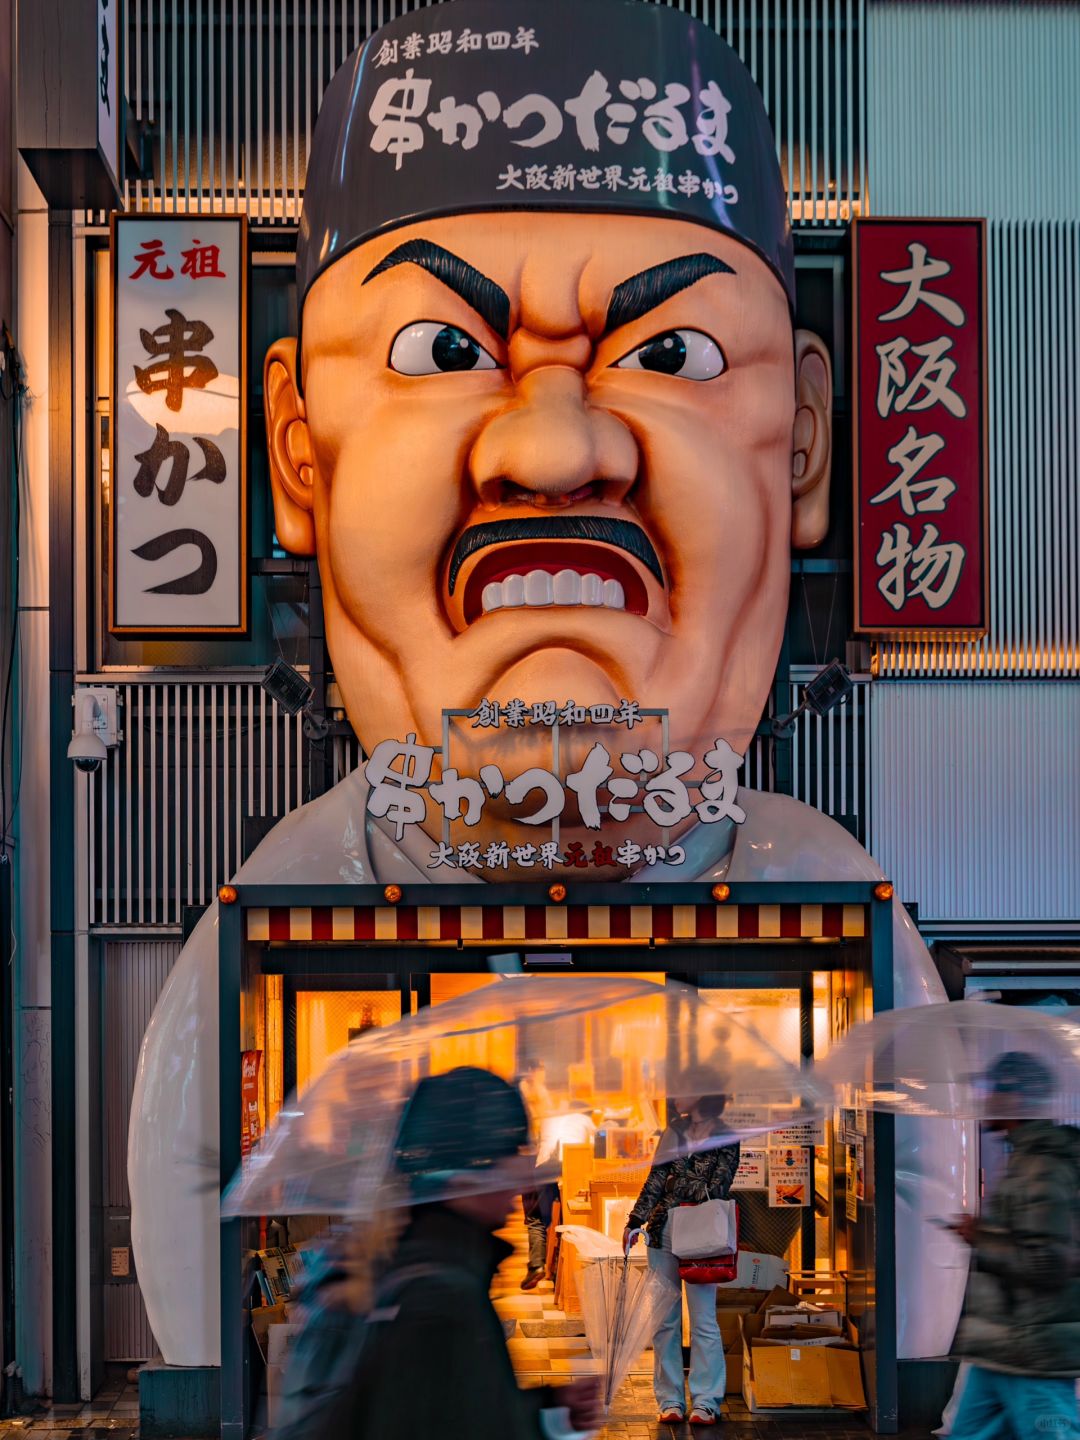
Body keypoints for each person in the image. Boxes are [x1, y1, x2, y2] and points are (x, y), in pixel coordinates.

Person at [130, 0, 967, 1370]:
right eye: (439, 351)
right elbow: (180, 1183)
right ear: (296, 453)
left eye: (673, 355)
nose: (553, 448)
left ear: (803, 446)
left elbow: (927, 1203)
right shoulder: (283, 909)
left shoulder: (826, 901)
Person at [279, 1067, 603, 1440]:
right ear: (465, 1177)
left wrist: (550, 1406)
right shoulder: (442, 1299)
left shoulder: (412, 1263)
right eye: (513, 1150)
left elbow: (452, 1409)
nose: (523, 1172)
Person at [945, 1051, 1080, 1440]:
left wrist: (980, 1238)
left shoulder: (1043, 1167)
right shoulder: (1025, 1157)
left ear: (1015, 1100)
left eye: (991, 1091)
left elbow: (1047, 1262)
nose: (984, 1099)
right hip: (1002, 1351)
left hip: (1034, 1351)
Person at [623, 1072, 740, 1426]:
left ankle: (707, 1401)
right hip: (662, 1233)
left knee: (704, 1320)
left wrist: (676, 1177)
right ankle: (670, 1400)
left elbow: (717, 1185)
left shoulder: (726, 1136)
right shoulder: (672, 1131)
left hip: (704, 1237)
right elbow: (655, 1180)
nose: (675, 1094)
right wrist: (634, 1220)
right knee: (664, 1321)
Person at [519, 1059, 559, 1291]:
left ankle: (537, 1265)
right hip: (546, 1161)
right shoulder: (539, 1095)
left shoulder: (528, 1094)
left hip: (531, 1161)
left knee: (534, 1216)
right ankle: (548, 1266)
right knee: (550, 1214)